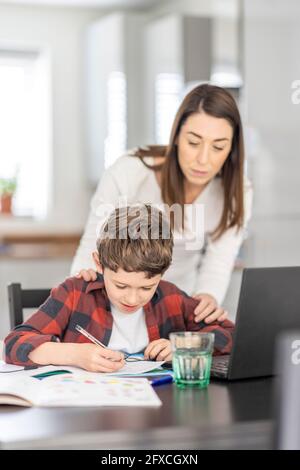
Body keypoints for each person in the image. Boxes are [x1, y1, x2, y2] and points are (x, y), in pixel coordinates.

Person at [71, 84, 253, 325]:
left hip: (175, 313)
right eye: (193, 142)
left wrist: (206, 297)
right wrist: (82, 310)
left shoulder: (236, 191)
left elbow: (218, 263)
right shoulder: (129, 173)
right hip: (115, 308)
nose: (203, 159)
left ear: (231, 148)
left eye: (218, 146)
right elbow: (90, 252)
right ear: (176, 136)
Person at [4, 205, 234, 372]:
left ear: (163, 273)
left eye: (146, 287)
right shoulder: (76, 293)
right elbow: (14, 343)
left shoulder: (170, 297)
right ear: (98, 264)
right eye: (121, 285)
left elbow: (231, 335)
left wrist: (183, 347)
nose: (133, 298)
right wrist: (75, 354)